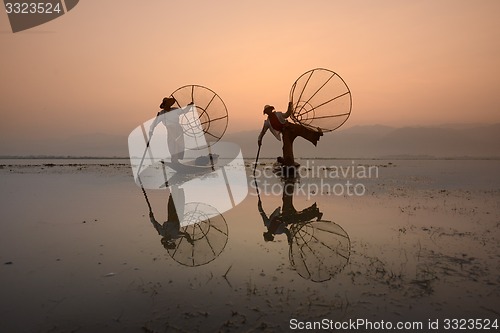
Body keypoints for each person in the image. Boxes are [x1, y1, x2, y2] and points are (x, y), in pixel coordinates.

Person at [257, 102, 323, 167]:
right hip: (285, 133)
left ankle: (317, 134)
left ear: (271, 110)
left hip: (290, 127)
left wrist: (289, 107)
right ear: (266, 113)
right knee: (286, 147)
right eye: (267, 111)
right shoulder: (267, 123)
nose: (269, 111)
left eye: (269, 110)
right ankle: (288, 161)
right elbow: (263, 132)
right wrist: (259, 139)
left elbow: (287, 114)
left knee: (302, 129)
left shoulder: (278, 114)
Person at [149, 97, 191, 163]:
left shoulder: (175, 109)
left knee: (179, 144)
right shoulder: (162, 113)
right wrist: (151, 130)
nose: (167, 106)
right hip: (170, 129)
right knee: (172, 144)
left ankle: (176, 160)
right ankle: (174, 159)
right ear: (164, 105)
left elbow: (184, 111)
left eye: (168, 104)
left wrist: (189, 106)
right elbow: (155, 122)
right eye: (166, 104)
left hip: (178, 128)